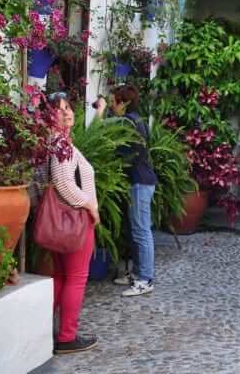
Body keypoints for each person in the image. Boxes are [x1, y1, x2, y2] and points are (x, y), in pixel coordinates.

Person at [46, 91, 100, 354]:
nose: (68, 112)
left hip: (59, 220)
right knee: (76, 278)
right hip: (73, 219)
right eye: (60, 109)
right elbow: (64, 184)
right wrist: (90, 207)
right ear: (49, 116)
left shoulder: (59, 141)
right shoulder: (60, 145)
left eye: (69, 107)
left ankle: (45, 331)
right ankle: (67, 337)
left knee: (60, 276)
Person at [96, 85, 157, 297]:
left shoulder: (128, 121)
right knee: (135, 229)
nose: (112, 106)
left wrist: (100, 111)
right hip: (140, 180)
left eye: (114, 102)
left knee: (141, 230)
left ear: (125, 102)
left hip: (141, 181)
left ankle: (146, 279)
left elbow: (101, 129)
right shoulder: (137, 120)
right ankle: (137, 274)